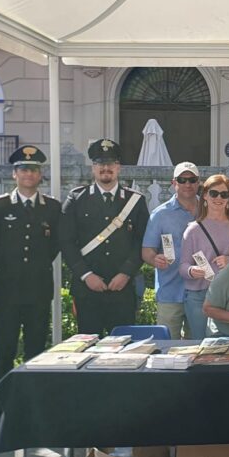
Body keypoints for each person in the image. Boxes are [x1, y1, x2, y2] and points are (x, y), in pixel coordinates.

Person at [0, 145, 61, 433]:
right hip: (7, 293)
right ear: (15, 173)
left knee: (35, 352)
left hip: (38, 292)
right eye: (24, 168)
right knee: (4, 352)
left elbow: (53, 247)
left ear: (40, 174)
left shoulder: (52, 208)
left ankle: (30, 408)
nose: (29, 173)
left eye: (34, 169)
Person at [59, 139, 149, 337]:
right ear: (93, 167)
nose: (105, 168)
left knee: (124, 351)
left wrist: (126, 273)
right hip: (87, 290)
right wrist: (86, 275)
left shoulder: (135, 201)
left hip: (123, 289)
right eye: (100, 163)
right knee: (89, 348)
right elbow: (66, 242)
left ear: (118, 167)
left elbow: (142, 242)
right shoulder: (76, 199)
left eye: (110, 163)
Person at [179, 174, 229, 339]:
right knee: (201, 346)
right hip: (200, 295)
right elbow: (182, 266)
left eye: (224, 194)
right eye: (214, 193)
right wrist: (191, 270)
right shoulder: (193, 230)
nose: (219, 198)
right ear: (205, 195)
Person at [142, 162, 200, 339]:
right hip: (170, 291)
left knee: (199, 348)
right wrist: (155, 259)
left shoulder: (209, 209)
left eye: (192, 180)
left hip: (201, 291)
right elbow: (146, 251)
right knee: (167, 348)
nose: (187, 184)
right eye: (182, 180)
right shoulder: (160, 214)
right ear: (174, 183)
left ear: (199, 182)